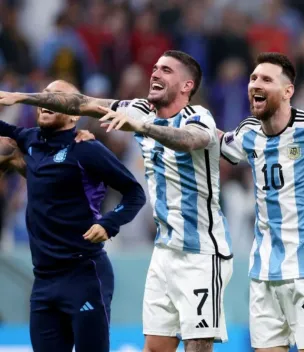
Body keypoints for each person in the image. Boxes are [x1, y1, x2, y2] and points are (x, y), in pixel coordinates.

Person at [0, 50, 232, 352]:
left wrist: (140, 127)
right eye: (155, 67)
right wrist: (20, 97)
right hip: (164, 249)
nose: (155, 74)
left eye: (166, 70)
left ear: (187, 85)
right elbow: (81, 104)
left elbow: (191, 140)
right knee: (155, 347)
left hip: (201, 250)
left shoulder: (198, 117)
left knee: (198, 343)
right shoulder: (137, 109)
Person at [219, 52, 304, 352]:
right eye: (253, 78)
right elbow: (215, 142)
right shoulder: (247, 134)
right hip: (264, 272)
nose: (255, 83)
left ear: (287, 91)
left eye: (266, 79)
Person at [0, 79, 146, 352]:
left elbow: (135, 193)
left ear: (75, 113)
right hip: (43, 282)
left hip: (84, 274)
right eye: (42, 96)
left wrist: (109, 224)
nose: (45, 101)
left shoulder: (87, 149)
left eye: (55, 97)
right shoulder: (30, 140)